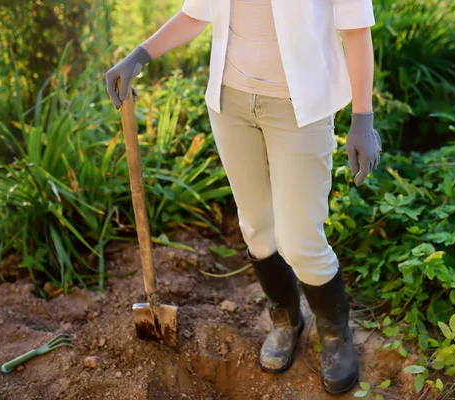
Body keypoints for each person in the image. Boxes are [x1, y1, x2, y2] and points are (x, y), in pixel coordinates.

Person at [105, 0, 382, 394]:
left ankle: (335, 336)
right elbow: (195, 13)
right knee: (256, 228)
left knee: (301, 242)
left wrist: (363, 116)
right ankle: (286, 318)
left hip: (299, 111)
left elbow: (355, 28)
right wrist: (140, 54)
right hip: (230, 105)